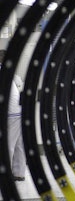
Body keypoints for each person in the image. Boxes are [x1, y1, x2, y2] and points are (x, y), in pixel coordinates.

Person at [0, 49, 26, 181]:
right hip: (19, 111)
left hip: (10, 114)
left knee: (7, 144)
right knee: (19, 145)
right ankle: (19, 173)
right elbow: (19, 81)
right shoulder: (8, 72)